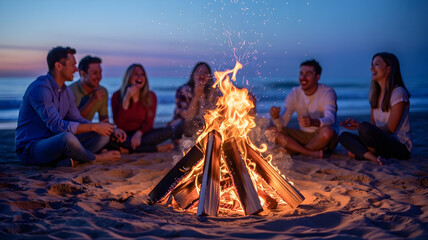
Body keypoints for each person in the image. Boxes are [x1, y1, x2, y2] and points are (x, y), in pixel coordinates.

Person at [15, 46, 121, 167]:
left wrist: (106, 128)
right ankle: (94, 158)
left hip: (57, 143)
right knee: (66, 138)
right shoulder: (40, 89)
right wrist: (93, 126)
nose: (76, 69)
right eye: (72, 65)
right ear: (59, 66)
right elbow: (57, 126)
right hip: (32, 148)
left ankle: (70, 159)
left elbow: (77, 118)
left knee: (103, 135)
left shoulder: (65, 91)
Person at [339, 52, 412, 165]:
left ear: (389, 68)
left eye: (376, 64)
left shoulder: (398, 92)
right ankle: (374, 158)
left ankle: (365, 154)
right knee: (344, 136)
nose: (372, 68)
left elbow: (391, 129)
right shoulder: (375, 95)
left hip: (399, 146)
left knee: (363, 128)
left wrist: (361, 126)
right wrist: (359, 126)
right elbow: (373, 126)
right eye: (372, 64)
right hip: (381, 144)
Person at [268, 59, 338, 158]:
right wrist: (275, 117)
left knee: (327, 132)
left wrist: (312, 122)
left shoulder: (327, 92)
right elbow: (282, 125)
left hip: (322, 136)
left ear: (317, 77)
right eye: (301, 73)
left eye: (308, 74)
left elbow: (330, 119)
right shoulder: (294, 93)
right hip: (302, 135)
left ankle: (296, 150)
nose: (303, 77)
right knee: (271, 130)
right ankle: (309, 152)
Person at [111, 64, 176, 153]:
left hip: (143, 135)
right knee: (112, 138)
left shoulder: (151, 96)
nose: (139, 77)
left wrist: (139, 133)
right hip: (124, 135)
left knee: (169, 131)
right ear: (128, 77)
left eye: (142, 74)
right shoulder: (116, 95)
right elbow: (119, 124)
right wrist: (127, 98)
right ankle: (156, 149)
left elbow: (149, 124)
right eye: (136, 73)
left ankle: (128, 149)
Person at [70, 55, 126, 145]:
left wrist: (113, 129)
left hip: (88, 132)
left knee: (112, 136)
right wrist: (92, 100)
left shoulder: (102, 91)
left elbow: (104, 119)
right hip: (71, 135)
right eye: (95, 73)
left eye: (100, 73)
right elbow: (74, 121)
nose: (99, 77)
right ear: (83, 73)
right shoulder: (70, 91)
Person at [170, 62, 219, 139]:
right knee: (189, 124)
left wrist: (204, 97)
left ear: (209, 77)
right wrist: (196, 96)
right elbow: (187, 117)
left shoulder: (212, 92)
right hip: (182, 126)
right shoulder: (183, 90)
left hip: (202, 126)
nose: (202, 74)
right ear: (193, 74)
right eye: (199, 71)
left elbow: (212, 115)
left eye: (206, 72)